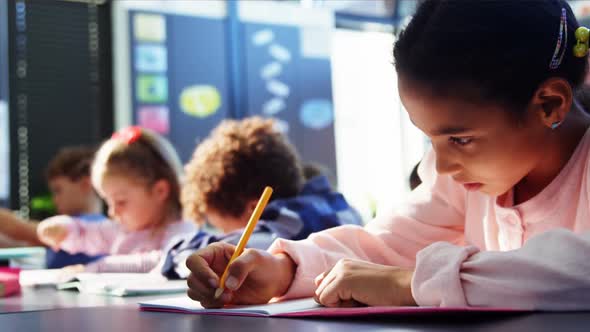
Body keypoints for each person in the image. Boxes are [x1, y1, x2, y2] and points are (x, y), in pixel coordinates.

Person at [184, 0, 590, 310]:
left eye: (460, 139)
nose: (443, 164)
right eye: (430, 139)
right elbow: (386, 244)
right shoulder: (460, 177)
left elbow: (578, 269)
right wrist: (283, 271)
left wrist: (406, 283)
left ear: (549, 104)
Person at [159, 117, 362, 279]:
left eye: (224, 229)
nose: (224, 236)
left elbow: (214, 257)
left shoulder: (287, 225)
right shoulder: (338, 206)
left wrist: (175, 252)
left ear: (254, 209)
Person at [37, 126, 196, 272]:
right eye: (108, 202)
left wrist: (97, 268)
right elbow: (88, 233)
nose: (113, 212)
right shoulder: (122, 230)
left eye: (120, 201)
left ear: (160, 191)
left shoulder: (182, 233)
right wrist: (65, 229)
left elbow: (163, 261)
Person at [0, 146, 106, 268]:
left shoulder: (92, 227)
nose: (54, 199)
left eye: (58, 190)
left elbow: (21, 230)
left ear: (85, 184)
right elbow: (18, 243)